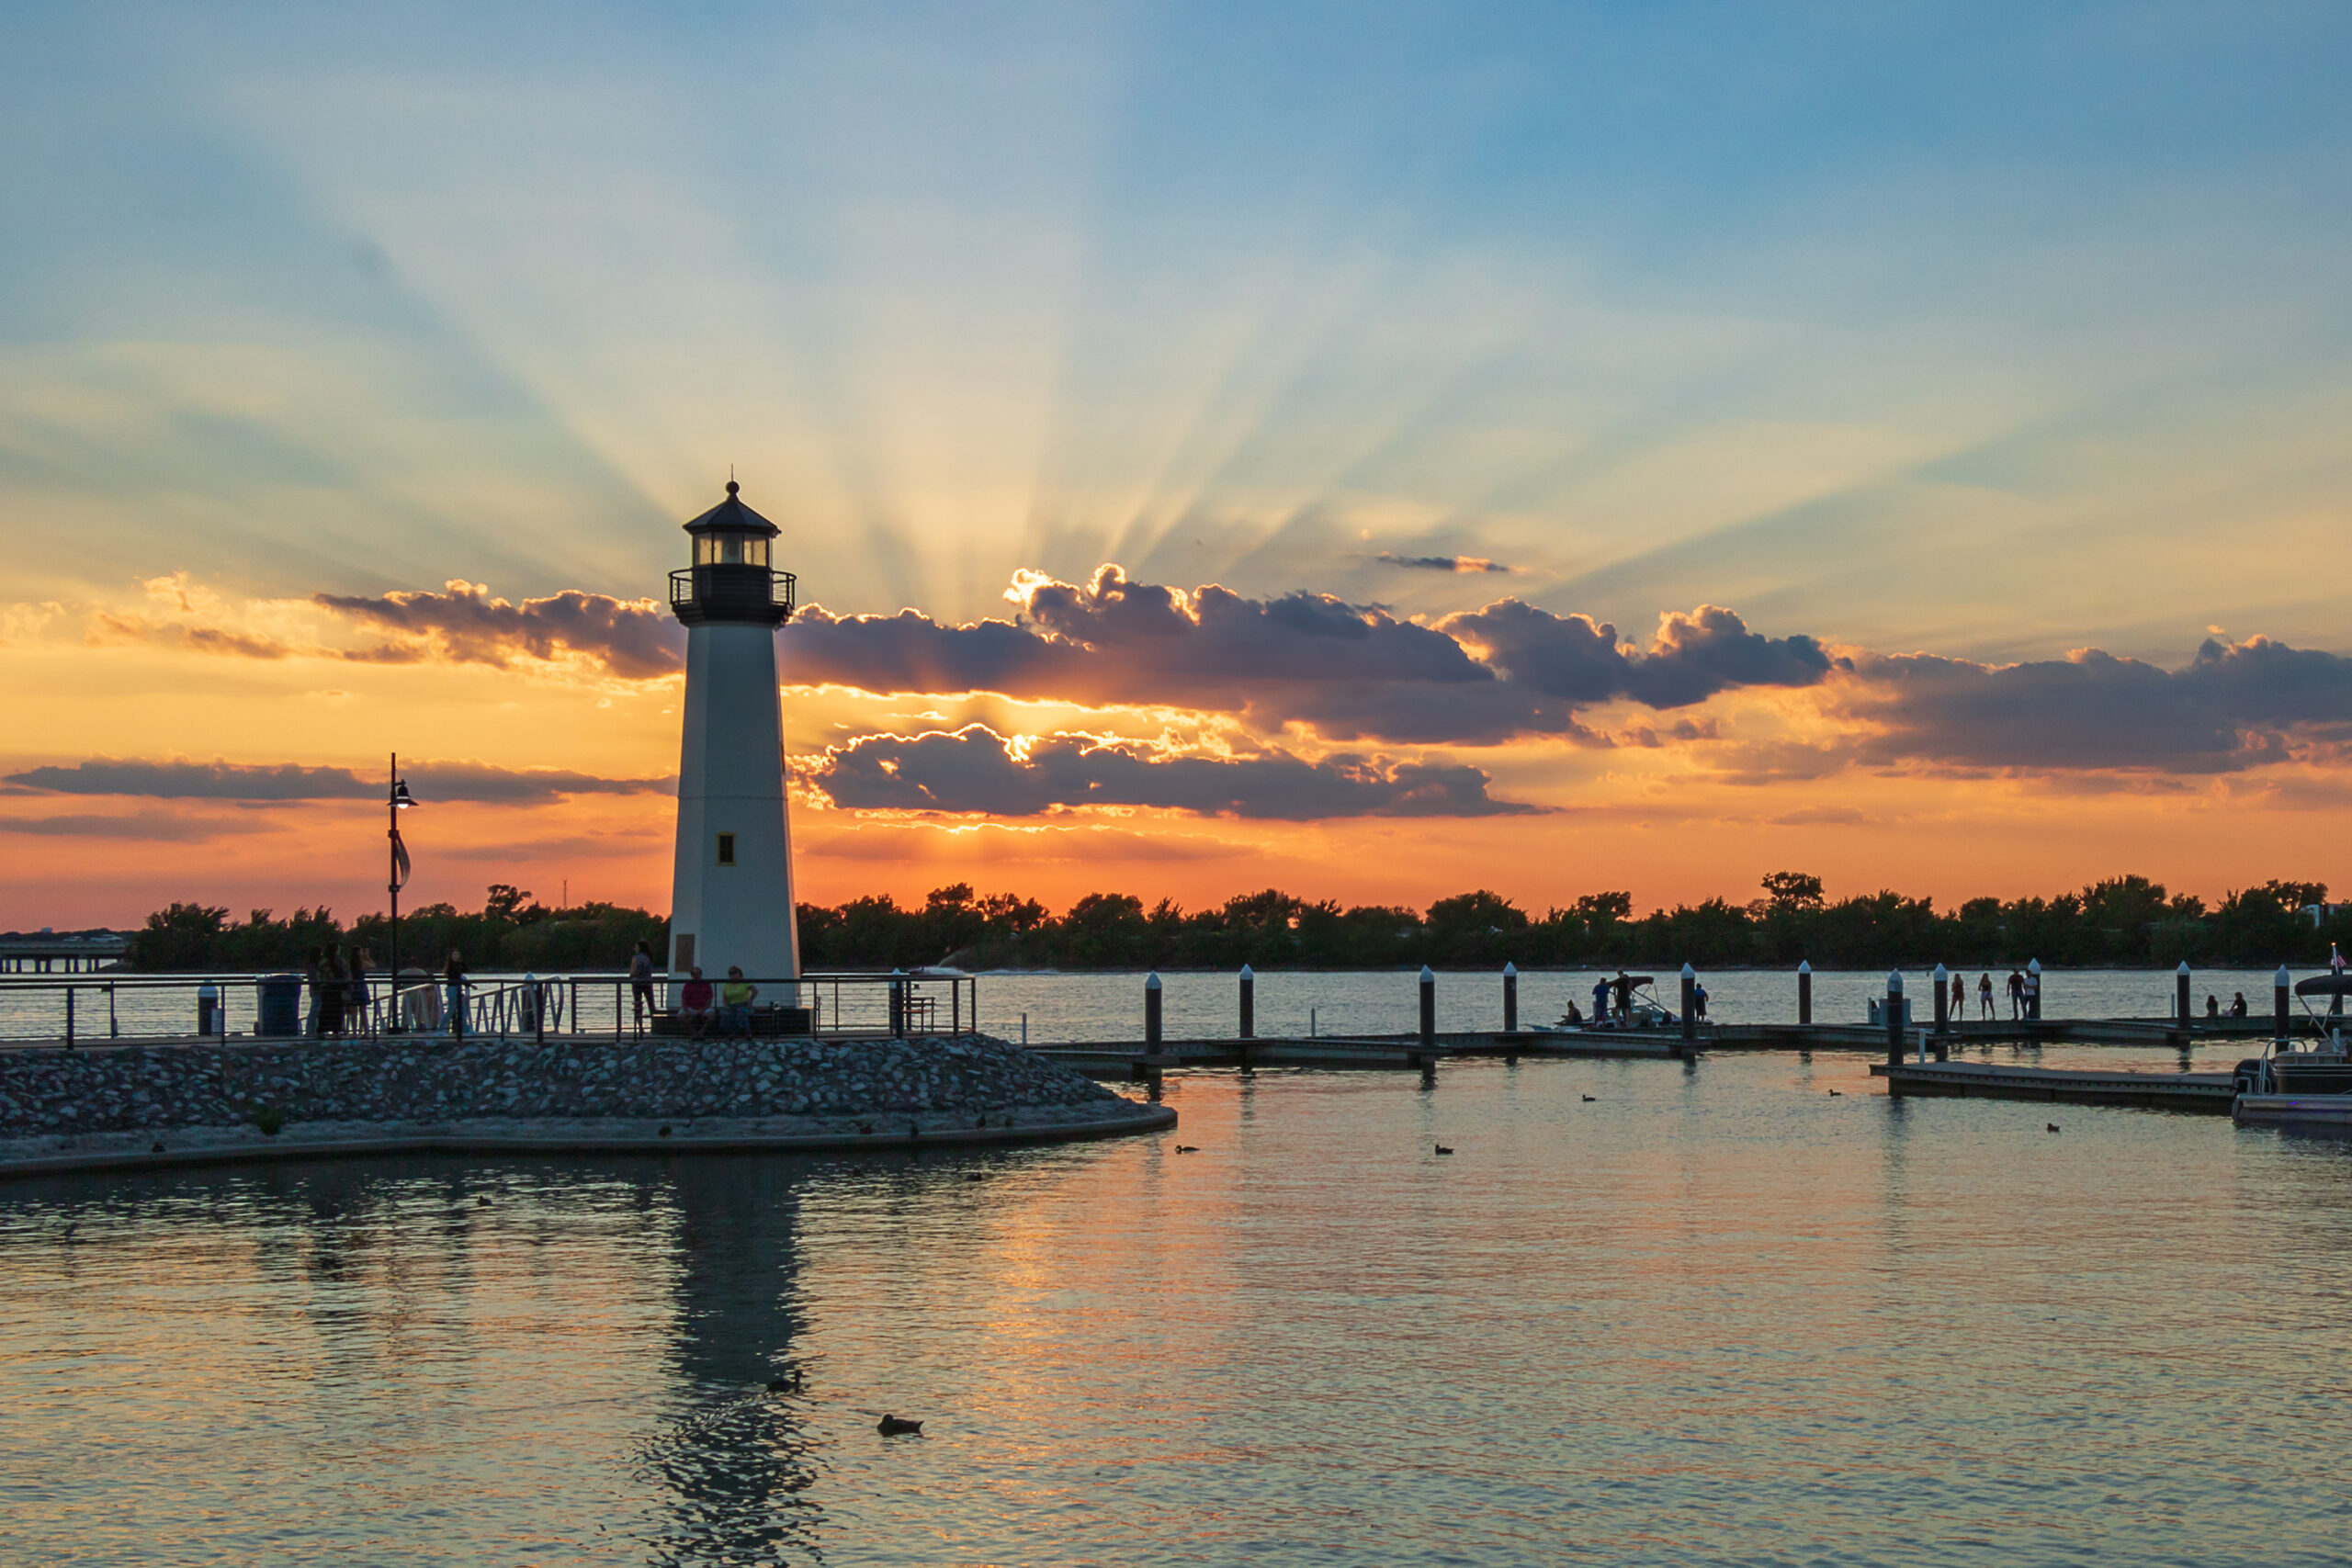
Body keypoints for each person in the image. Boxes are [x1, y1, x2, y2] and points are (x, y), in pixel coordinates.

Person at [721, 965, 759, 1036]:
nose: (733, 975)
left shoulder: (744, 982)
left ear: (739, 974)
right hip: (731, 1005)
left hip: (742, 1004)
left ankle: (747, 1032)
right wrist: (726, 1006)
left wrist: (750, 1001)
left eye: (735, 973)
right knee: (726, 1014)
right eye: (731, 973)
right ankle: (731, 1033)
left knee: (741, 1013)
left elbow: (755, 991)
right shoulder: (726, 984)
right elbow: (724, 998)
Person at [628, 940, 656, 1034]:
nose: (635, 949)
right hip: (647, 983)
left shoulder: (636, 958)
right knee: (651, 1004)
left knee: (638, 1004)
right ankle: (654, 1025)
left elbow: (634, 971)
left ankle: (640, 1027)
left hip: (637, 983)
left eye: (636, 947)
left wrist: (631, 976)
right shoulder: (649, 957)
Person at [679, 965, 716, 1036]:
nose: (696, 976)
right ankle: (694, 1032)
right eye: (694, 974)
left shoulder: (706, 984)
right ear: (691, 975)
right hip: (690, 1008)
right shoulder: (688, 985)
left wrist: (702, 1010)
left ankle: (701, 1032)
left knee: (712, 1015)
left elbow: (709, 1000)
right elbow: (683, 1000)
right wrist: (687, 1010)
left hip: (704, 1008)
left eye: (698, 974)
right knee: (681, 1016)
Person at [319, 949, 346, 1040]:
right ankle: (331, 1032)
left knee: (334, 1011)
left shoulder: (341, 962)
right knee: (329, 1011)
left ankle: (335, 1031)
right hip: (330, 990)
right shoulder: (326, 964)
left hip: (334, 990)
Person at [444, 948, 468, 1039]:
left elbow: (466, 970)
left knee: (463, 1010)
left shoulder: (458, 965)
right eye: (454, 954)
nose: (456, 956)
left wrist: (462, 962)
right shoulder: (451, 966)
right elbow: (455, 976)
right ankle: (442, 1029)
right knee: (451, 1010)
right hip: (452, 989)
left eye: (458, 954)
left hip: (457, 989)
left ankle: (464, 1029)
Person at [304, 946, 325, 1039]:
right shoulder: (313, 965)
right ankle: (310, 1031)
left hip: (315, 989)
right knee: (315, 1010)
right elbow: (314, 978)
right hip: (316, 990)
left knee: (317, 1010)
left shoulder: (312, 965)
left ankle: (316, 1031)